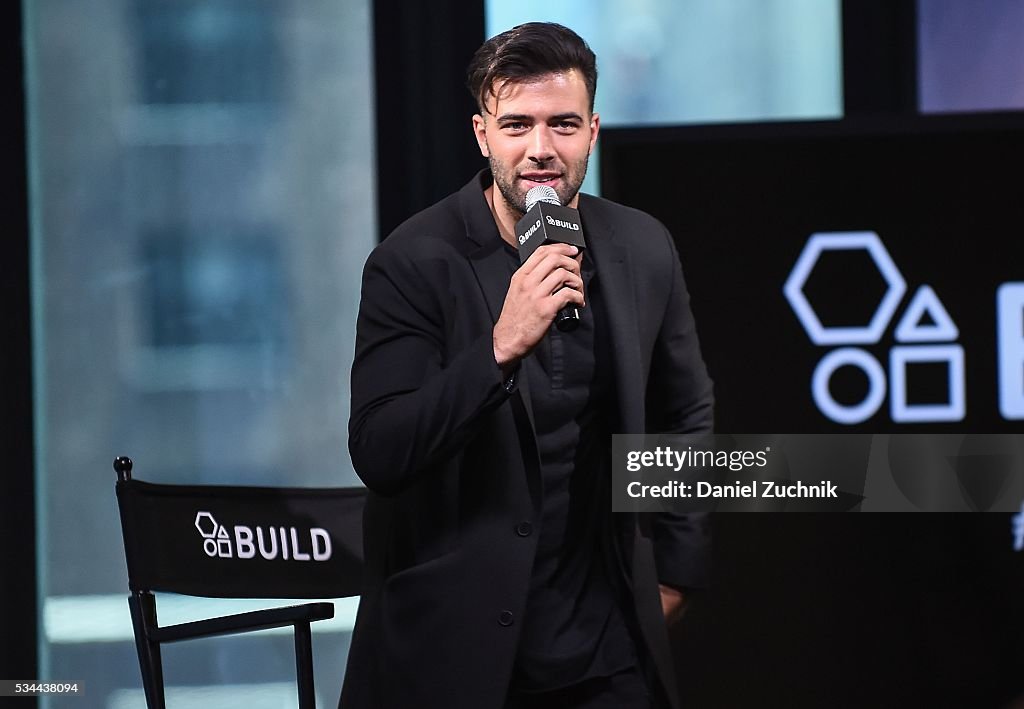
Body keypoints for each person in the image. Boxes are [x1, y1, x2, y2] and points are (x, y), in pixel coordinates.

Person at [340, 22, 713, 709]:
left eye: (562, 124)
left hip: (609, 651)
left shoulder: (641, 245)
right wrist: (499, 347)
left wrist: (678, 570)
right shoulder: (414, 262)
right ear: (482, 134)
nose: (541, 149)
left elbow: (683, 411)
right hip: (458, 656)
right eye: (517, 124)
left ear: (593, 132)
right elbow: (380, 447)